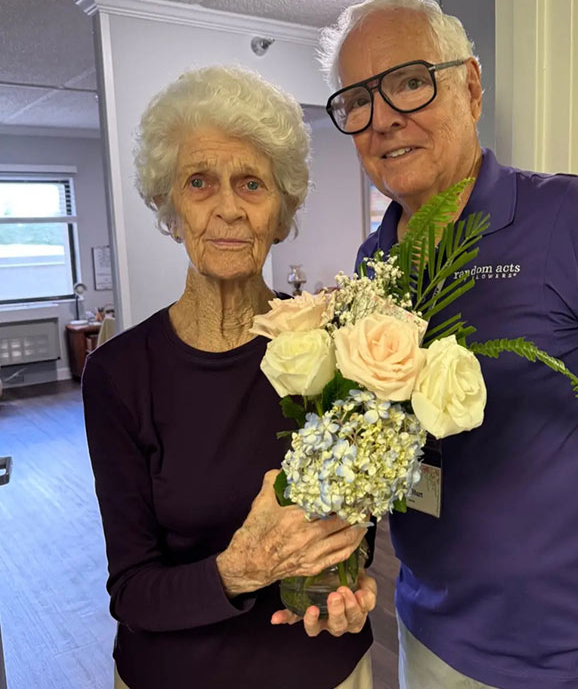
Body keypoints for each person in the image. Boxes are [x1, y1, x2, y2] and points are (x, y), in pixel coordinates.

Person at [319, 0, 578, 689]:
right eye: (356, 100)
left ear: (470, 86)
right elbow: (379, 446)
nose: (382, 119)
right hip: (432, 638)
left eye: (409, 82)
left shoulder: (573, 221)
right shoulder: (371, 268)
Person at [82, 65, 377, 689]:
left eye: (251, 184)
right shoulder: (118, 374)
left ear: (280, 211)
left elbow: (355, 516)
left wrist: (344, 581)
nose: (227, 209)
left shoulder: (338, 345)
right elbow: (132, 592)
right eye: (199, 182)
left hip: (323, 670)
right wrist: (240, 569)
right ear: (169, 208)